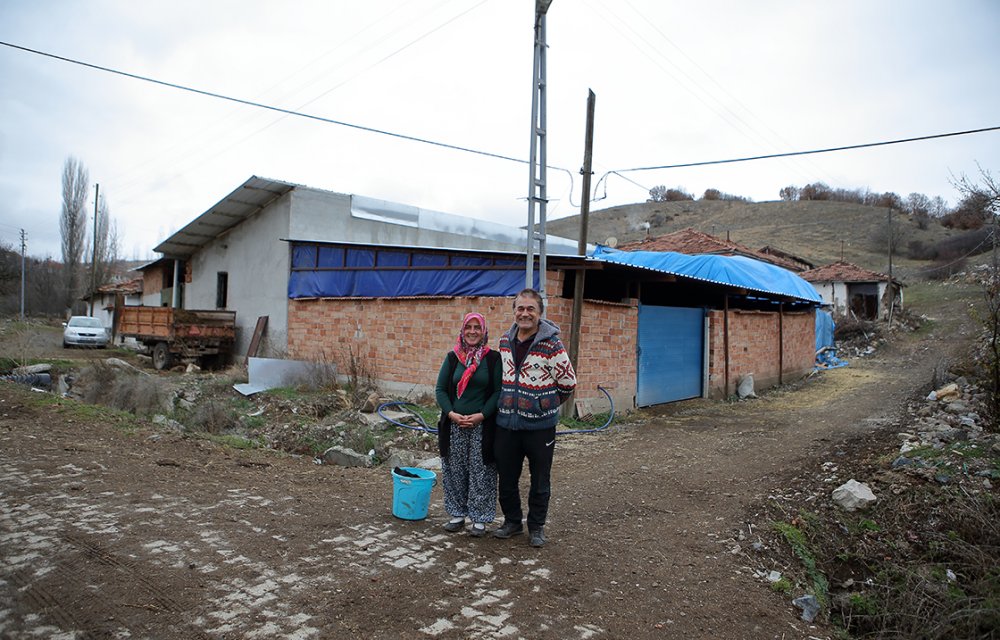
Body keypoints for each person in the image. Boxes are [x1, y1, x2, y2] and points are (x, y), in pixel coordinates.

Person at [492, 288, 577, 548]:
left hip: (540, 427)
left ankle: (537, 527)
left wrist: (542, 405)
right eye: (520, 308)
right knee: (506, 478)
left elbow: (568, 383)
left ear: (540, 313)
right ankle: (513, 522)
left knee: (540, 479)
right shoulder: (504, 342)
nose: (525, 313)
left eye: (531, 309)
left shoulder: (552, 344)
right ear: (514, 311)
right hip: (506, 423)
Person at [435, 312, 502, 537]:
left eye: (477, 327)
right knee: (455, 469)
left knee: (481, 471)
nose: (472, 331)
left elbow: (497, 392)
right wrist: (452, 414)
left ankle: (480, 519)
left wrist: (481, 415)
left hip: (482, 425)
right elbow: (441, 390)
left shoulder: (492, 359)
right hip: (455, 425)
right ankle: (457, 514)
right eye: (468, 327)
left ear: (484, 331)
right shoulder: (453, 358)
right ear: (462, 331)